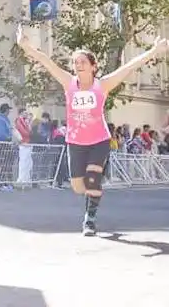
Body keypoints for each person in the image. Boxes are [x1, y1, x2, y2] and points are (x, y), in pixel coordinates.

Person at [16, 25, 168, 235]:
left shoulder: (102, 85)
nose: (78, 65)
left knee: (93, 180)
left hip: (99, 140)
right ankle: (94, 182)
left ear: (93, 66)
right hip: (76, 142)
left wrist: (153, 51)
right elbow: (46, 61)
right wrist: (27, 47)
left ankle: (90, 220)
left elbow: (129, 67)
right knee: (79, 187)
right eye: (75, 62)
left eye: (83, 62)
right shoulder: (68, 82)